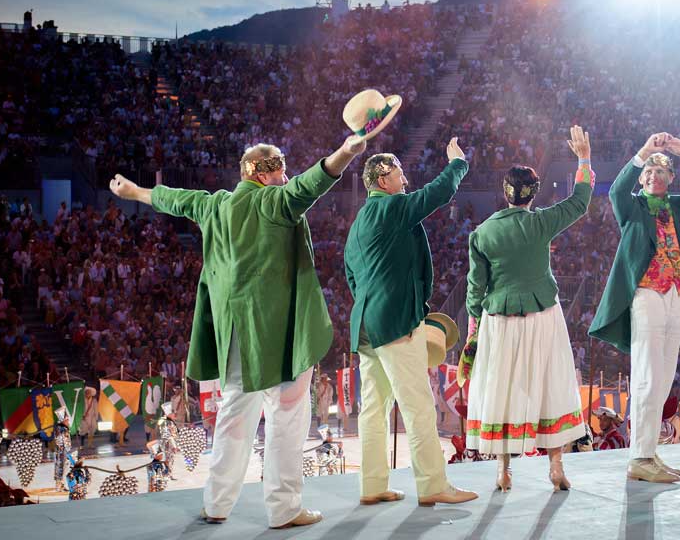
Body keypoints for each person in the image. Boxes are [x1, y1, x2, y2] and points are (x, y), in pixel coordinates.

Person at [109, 133, 367, 529]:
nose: (286, 176)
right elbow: (314, 182)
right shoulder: (274, 202)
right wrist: (346, 152)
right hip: (278, 337)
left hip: (233, 336)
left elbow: (176, 199)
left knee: (233, 419)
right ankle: (284, 509)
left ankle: (216, 503)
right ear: (266, 175)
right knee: (286, 420)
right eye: (281, 169)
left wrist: (136, 191)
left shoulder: (216, 205)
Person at [344, 138, 477, 507]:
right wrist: (457, 165)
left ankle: (372, 485)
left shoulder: (358, 224)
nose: (406, 179)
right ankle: (434, 484)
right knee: (418, 404)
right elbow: (436, 194)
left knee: (374, 408)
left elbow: (352, 277)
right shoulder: (393, 209)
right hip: (396, 322)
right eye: (400, 172)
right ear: (384, 178)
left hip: (367, 325)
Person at [463, 125, 593, 493]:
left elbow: (476, 287)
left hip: (498, 319)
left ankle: (503, 472)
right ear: (533, 194)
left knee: (502, 388)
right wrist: (583, 159)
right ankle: (555, 467)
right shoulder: (540, 223)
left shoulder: (482, 233)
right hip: (543, 315)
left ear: (504, 193)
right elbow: (580, 202)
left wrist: (474, 329)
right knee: (552, 382)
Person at [588, 129, 680, 483]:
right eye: (649, 172)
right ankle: (639, 456)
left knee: (662, 378)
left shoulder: (679, 206)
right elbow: (615, 189)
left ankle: (649, 450)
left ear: (671, 179)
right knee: (645, 376)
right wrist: (643, 151)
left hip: (679, 293)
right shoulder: (633, 207)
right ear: (642, 179)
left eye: (662, 172)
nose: (655, 176)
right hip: (647, 293)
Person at [52, 408, 72, 491]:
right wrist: (68, 450)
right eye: (66, 419)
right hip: (63, 451)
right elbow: (66, 442)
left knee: (59, 467)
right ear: (62, 420)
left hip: (58, 451)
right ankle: (59, 486)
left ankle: (59, 484)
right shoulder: (63, 429)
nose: (68, 421)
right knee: (62, 468)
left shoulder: (58, 428)